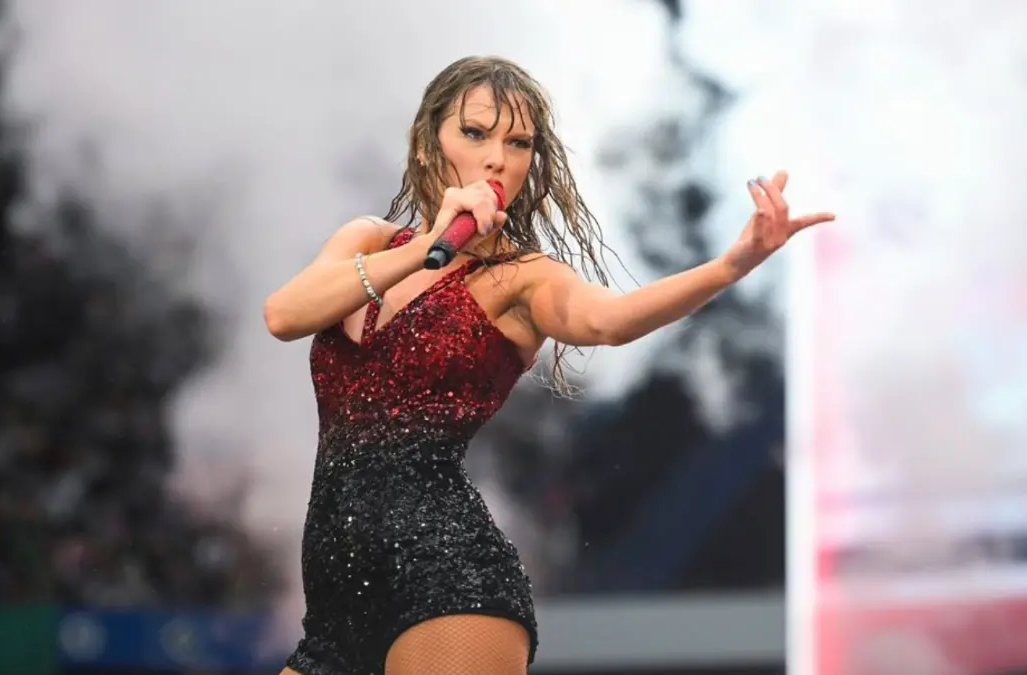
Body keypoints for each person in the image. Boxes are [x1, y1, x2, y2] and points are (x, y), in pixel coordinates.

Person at [263, 55, 834, 675]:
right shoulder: (368, 243)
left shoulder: (520, 279)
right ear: (430, 145)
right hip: (333, 610)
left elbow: (610, 321)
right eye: (476, 133)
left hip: (446, 581)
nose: (497, 158)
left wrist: (731, 266)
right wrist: (427, 247)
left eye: (518, 142)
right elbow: (284, 315)